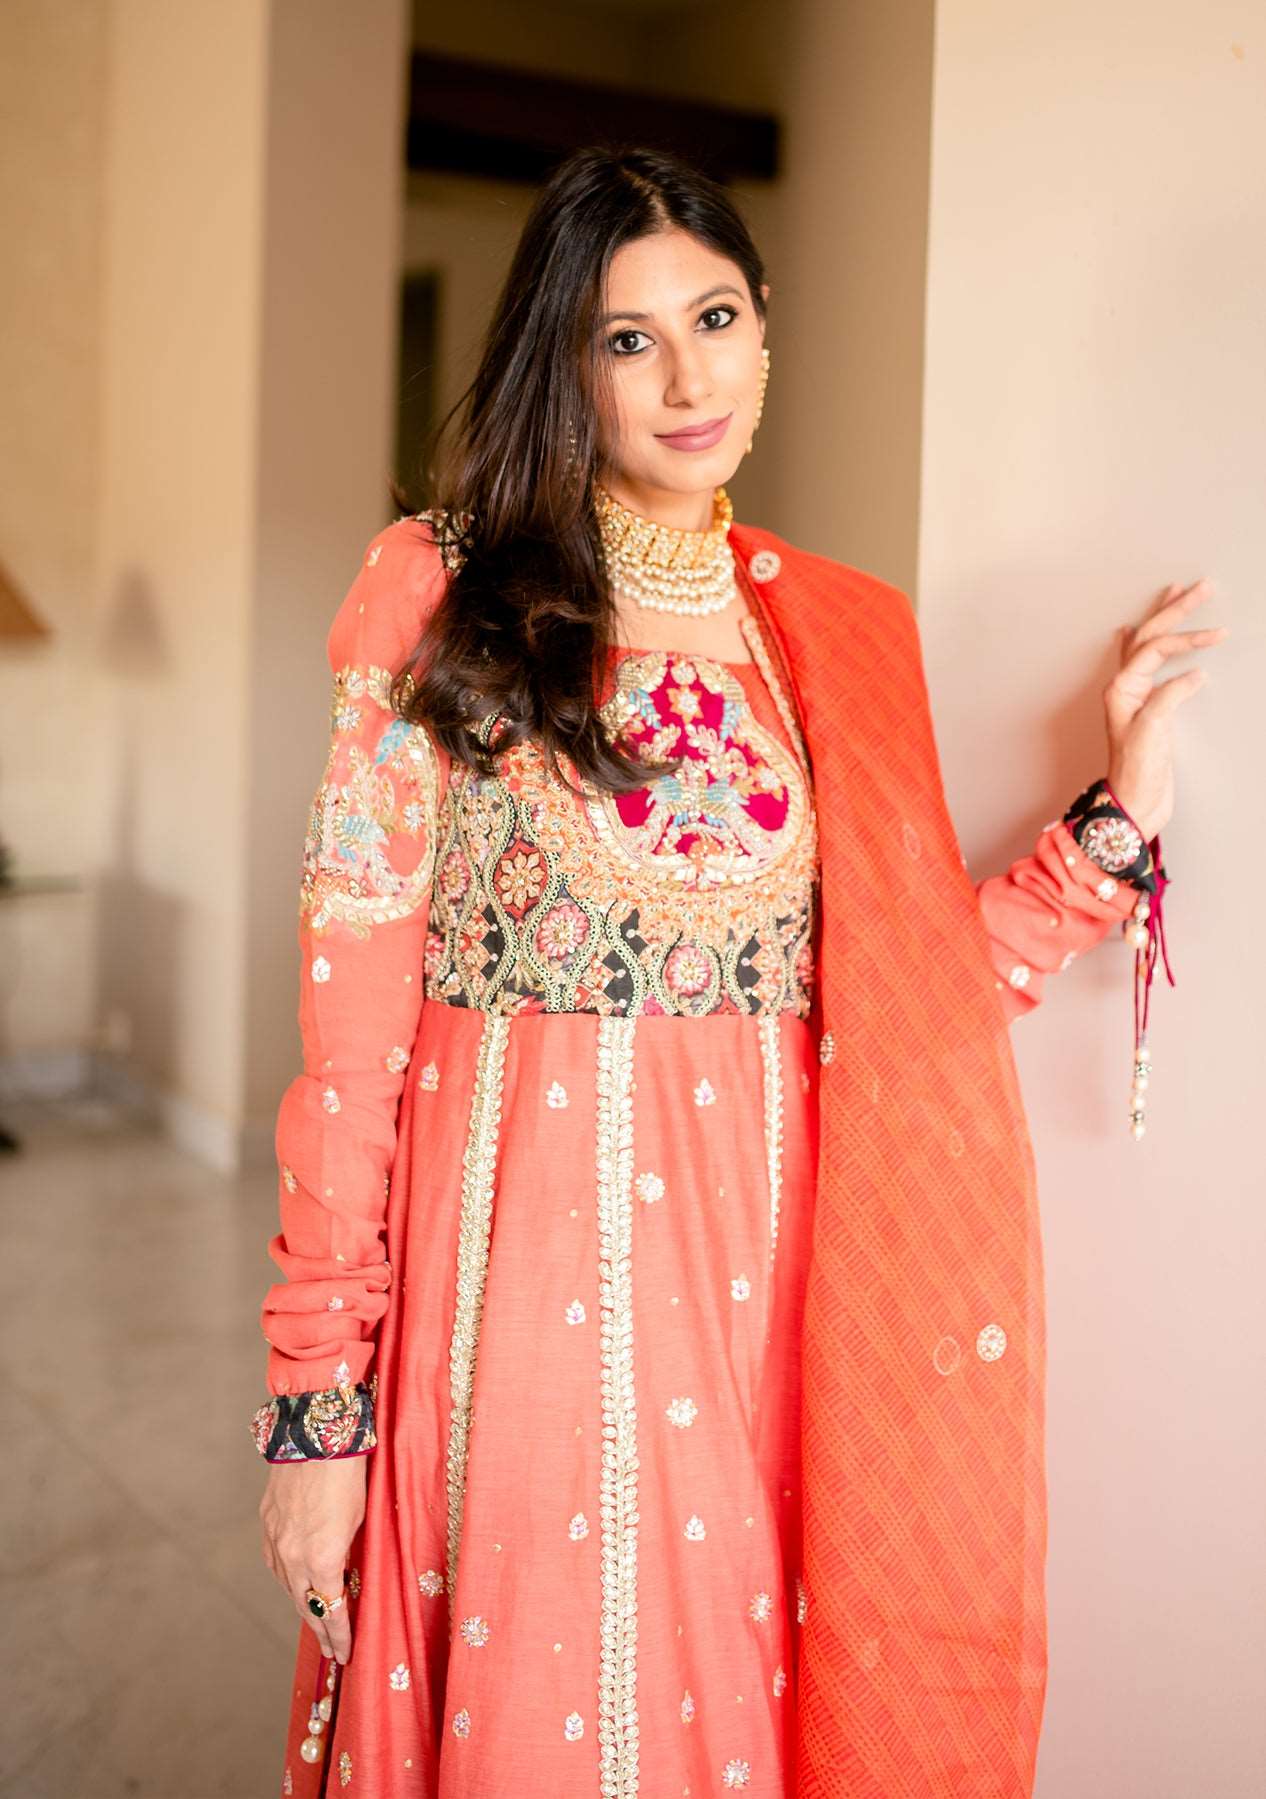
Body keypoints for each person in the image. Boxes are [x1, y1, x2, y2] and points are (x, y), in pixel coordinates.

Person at [252, 145, 1226, 1798]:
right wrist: (313, 1415)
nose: (687, 375)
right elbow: (350, 1047)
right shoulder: (436, 590)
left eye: (712, 317)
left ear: (764, 326)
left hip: (762, 1328)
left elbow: (905, 1010)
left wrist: (1117, 812)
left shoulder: (824, 635)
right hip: (508, 1328)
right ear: (563, 363)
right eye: (627, 339)